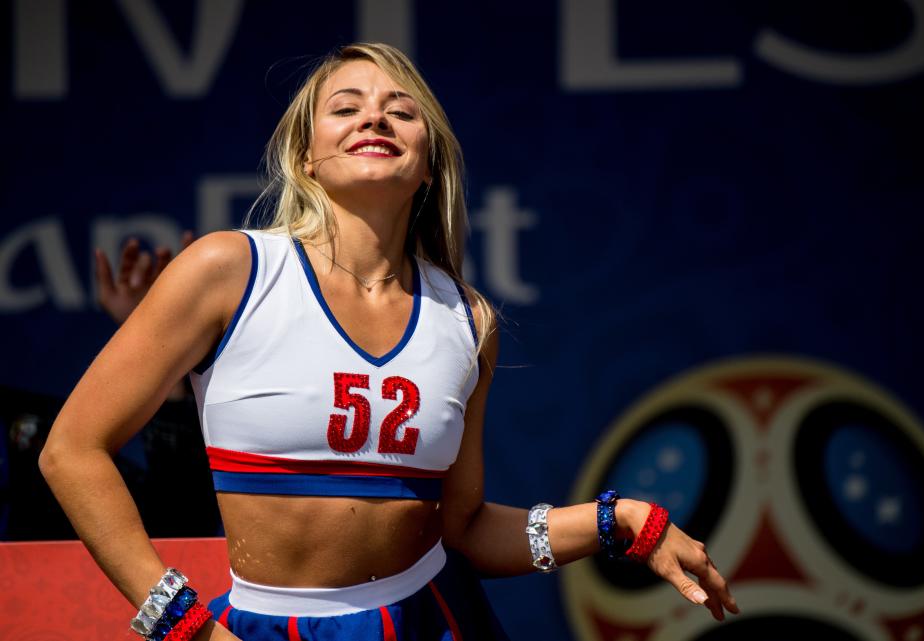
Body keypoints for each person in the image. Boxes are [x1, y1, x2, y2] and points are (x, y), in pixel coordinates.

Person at [39, 43, 738, 640]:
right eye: (345, 107)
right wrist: (183, 624)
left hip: (430, 617)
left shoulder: (468, 319)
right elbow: (72, 450)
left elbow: (461, 527)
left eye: (400, 110)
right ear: (305, 156)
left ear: (429, 163)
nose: (374, 115)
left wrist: (621, 521)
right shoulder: (229, 270)